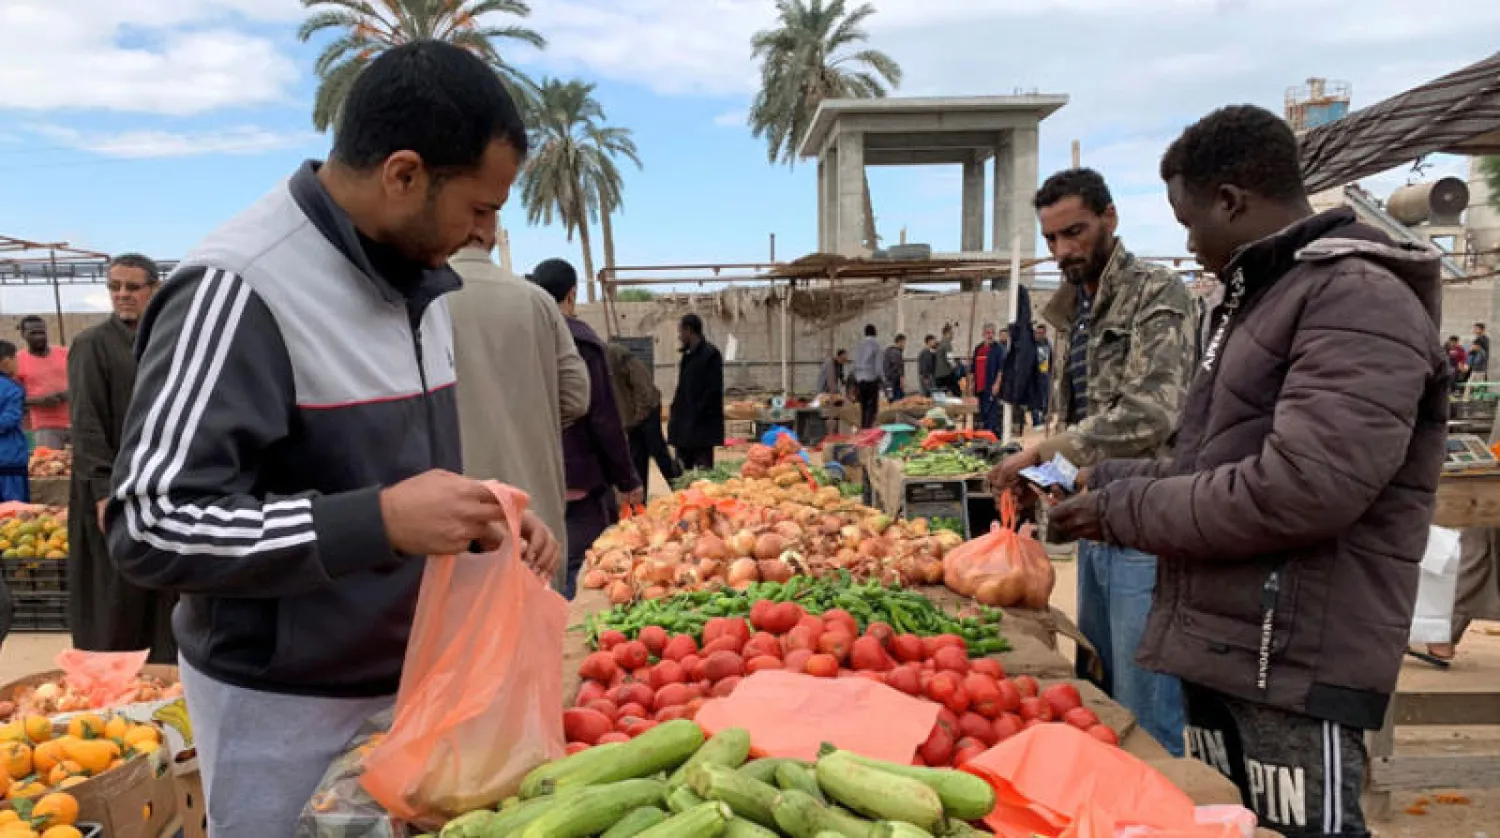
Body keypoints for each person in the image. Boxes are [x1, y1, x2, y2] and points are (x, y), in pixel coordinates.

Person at [105, 41, 560, 838]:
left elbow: (388, 475)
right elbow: (149, 523)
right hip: (282, 712)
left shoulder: (418, 279)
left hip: (410, 687)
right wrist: (377, 521)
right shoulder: (240, 287)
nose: (485, 232)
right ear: (404, 174)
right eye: (479, 208)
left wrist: (482, 518)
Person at [1050, 105, 1447, 835]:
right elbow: (1212, 463)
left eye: (1189, 222)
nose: (1189, 244)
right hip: (1235, 642)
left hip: (1293, 658)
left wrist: (1120, 511)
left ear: (1231, 201)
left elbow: (1302, 489)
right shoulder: (1257, 300)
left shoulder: (1355, 298)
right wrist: (1108, 481)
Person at [990, 167, 1196, 757]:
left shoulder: (1157, 293)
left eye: (1074, 232)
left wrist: (1042, 451)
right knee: (1100, 692)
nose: (1063, 250)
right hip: (1095, 521)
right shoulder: (1074, 310)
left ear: (1110, 217)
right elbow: (1081, 418)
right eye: (1051, 238)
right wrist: (1043, 475)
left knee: (1144, 707)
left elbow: (1152, 412)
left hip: (1147, 523)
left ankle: (1161, 798)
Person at [450, 229, 589, 591]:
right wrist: (529, 422)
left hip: (455, 524)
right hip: (536, 517)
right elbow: (576, 397)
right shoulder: (537, 300)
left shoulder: (420, 300)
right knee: (541, 613)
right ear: (490, 234)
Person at [68, 254, 176, 663]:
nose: (122, 295)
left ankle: (164, 678)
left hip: (160, 486)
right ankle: (111, 682)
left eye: (132, 287)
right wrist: (102, 492)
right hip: (112, 489)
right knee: (116, 596)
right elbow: (86, 423)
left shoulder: (168, 340)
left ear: (155, 288)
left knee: (164, 590)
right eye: (114, 287)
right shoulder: (92, 345)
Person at [531, 259, 643, 599]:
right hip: (577, 477)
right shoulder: (579, 341)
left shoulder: (519, 335)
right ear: (571, 294)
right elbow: (602, 417)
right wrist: (627, 479)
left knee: (538, 570)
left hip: (529, 476)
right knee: (577, 569)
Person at [607, 340, 679, 502]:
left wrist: (641, 413)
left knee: (658, 452)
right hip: (633, 418)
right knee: (637, 458)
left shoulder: (614, 353)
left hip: (647, 410)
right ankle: (640, 503)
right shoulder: (598, 361)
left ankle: (680, 491)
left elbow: (641, 383)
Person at [668, 314, 724, 471]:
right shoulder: (687, 357)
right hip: (684, 430)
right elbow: (682, 389)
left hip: (701, 430)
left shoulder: (710, 354)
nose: (679, 336)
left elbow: (713, 391)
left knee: (703, 476)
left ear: (689, 330)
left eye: (681, 331)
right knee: (682, 474)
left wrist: (697, 413)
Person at [14, 316, 69, 451]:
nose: (39, 337)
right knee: (50, 461)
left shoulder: (65, 353)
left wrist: (71, 393)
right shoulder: (17, 361)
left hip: (77, 421)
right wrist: (40, 401)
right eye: (33, 333)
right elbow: (13, 398)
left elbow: (82, 379)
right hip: (45, 426)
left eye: (42, 332)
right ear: (23, 334)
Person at [0, 343, 29, 503]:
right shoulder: (12, 388)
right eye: (15, 359)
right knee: (13, 510)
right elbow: (9, 420)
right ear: (6, 361)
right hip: (8, 462)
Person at [972, 324, 1005, 434]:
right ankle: (985, 433)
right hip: (979, 387)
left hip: (991, 386)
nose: (990, 335)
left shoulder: (998, 349)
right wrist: (972, 384)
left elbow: (1001, 369)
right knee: (983, 412)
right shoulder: (978, 349)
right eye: (988, 333)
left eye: (992, 333)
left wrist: (997, 384)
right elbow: (973, 368)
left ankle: (991, 434)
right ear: (983, 334)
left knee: (992, 413)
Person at [852, 324, 882, 429]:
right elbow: (878, 365)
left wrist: (856, 378)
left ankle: (863, 427)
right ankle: (868, 429)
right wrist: (881, 378)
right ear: (875, 332)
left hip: (860, 380)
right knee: (872, 408)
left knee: (863, 406)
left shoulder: (859, 345)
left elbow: (854, 363)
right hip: (871, 380)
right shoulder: (876, 345)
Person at [1032, 324, 1052, 429]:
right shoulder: (1032, 345)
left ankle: (1045, 418)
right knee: (1034, 399)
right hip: (1034, 375)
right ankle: (1036, 421)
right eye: (1037, 333)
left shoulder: (1048, 344)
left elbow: (1051, 359)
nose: (1039, 335)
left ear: (1045, 333)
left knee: (1046, 397)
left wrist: (1051, 372)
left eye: (1041, 333)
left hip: (1045, 374)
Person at [935, 324, 959, 395]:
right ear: (947, 333)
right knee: (957, 392)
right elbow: (950, 359)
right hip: (946, 373)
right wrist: (956, 367)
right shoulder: (947, 344)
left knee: (941, 394)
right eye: (951, 333)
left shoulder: (939, 344)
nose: (952, 336)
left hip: (938, 374)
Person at [884, 334, 907, 401]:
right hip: (895, 382)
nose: (905, 345)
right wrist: (902, 380)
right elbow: (898, 367)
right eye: (904, 342)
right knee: (898, 401)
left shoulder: (888, 351)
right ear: (900, 342)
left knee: (890, 399)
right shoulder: (896, 352)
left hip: (888, 381)